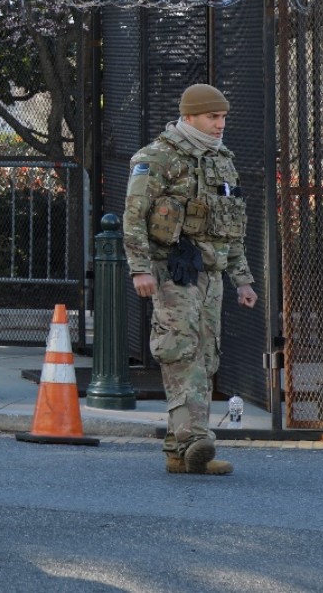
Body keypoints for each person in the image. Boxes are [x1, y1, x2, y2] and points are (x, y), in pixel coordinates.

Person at [123, 83, 258, 476]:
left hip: (211, 273)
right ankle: (196, 440)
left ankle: (177, 450)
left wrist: (242, 280)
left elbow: (230, 227)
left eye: (222, 118)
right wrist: (141, 268)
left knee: (205, 355)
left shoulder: (221, 160)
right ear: (189, 117)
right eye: (212, 117)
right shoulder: (156, 158)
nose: (219, 124)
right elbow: (133, 216)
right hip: (173, 271)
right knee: (180, 351)